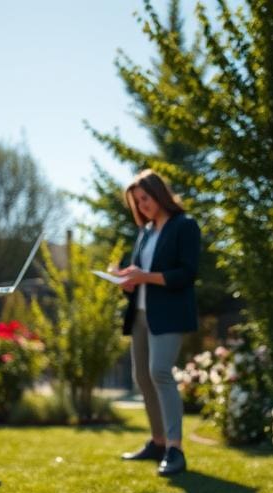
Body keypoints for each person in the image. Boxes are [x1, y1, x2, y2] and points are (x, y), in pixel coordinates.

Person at [114, 169, 200, 476]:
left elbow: (187, 274)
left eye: (145, 199)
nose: (142, 206)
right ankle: (158, 442)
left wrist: (144, 277)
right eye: (137, 202)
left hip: (169, 314)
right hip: (139, 313)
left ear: (159, 193)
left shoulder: (184, 226)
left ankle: (175, 449)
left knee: (160, 372)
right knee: (143, 378)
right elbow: (141, 274)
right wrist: (127, 280)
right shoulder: (145, 232)